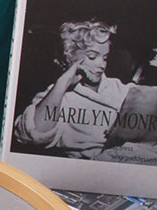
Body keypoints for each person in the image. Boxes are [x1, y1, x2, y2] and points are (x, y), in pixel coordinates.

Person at [14, 19, 130, 158]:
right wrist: (63, 83)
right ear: (70, 57)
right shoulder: (57, 96)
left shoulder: (117, 86)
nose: (102, 65)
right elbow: (30, 135)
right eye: (92, 57)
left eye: (105, 58)